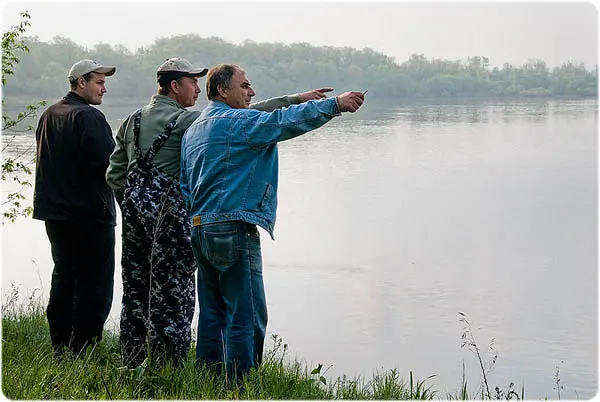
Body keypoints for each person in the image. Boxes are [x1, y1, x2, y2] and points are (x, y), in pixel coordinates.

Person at [106, 57, 338, 368]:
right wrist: (295, 100)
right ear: (175, 86)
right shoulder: (191, 123)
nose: (197, 91)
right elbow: (247, 118)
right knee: (176, 293)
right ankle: (170, 367)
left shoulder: (130, 121)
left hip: (136, 221)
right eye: (192, 83)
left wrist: (135, 207)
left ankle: (132, 361)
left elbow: (114, 175)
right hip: (178, 221)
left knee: (137, 291)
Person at [180, 63, 364, 379]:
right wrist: (334, 105)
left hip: (200, 227)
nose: (251, 91)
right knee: (246, 314)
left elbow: (185, 184)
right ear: (223, 90)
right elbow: (281, 122)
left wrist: (298, 98)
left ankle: (207, 383)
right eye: (245, 85)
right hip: (233, 227)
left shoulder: (194, 129)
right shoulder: (237, 122)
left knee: (212, 313)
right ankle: (241, 387)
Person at [33, 59, 117, 357]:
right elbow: (111, 167)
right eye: (99, 82)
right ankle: (85, 350)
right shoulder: (89, 117)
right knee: (94, 285)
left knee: (64, 277)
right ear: (81, 82)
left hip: (55, 214)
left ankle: (60, 347)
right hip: (90, 214)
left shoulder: (48, 114)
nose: (104, 89)